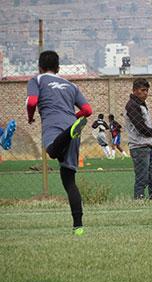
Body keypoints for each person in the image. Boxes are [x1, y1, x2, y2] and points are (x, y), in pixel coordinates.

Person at [26, 50, 93, 235]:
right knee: (69, 181)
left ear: (39, 67)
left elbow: (32, 102)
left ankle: (67, 133)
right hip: (72, 125)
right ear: (58, 68)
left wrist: (30, 117)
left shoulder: (37, 80)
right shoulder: (71, 86)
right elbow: (87, 110)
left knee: (52, 151)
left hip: (53, 124)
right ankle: (78, 227)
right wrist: (73, 117)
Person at [125, 78, 152, 200]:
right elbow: (140, 126)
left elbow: (146, 124)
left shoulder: (141, 104)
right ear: (135, 90)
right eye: (143, 90)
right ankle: (139, 198)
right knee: (142, 177)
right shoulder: (132, 105)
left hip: (147, 145)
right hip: (138, 145)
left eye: (147, 90)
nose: (145, 93)